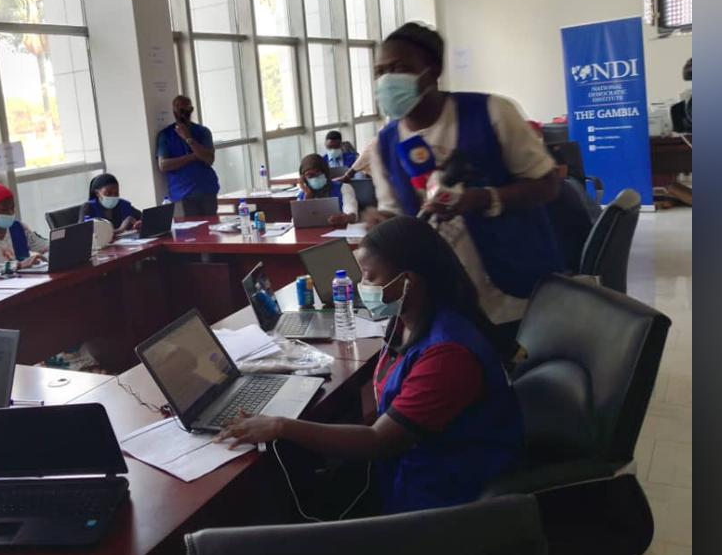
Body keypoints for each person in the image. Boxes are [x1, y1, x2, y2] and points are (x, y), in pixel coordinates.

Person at [215, 216, 523, 513]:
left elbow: (379, 441)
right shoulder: (409, 321)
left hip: (439, 498)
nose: (360, 285)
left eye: (369, 276)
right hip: (408, 466)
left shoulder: (447, 355)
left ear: (408, 282)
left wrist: (280, 425)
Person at [361, 22, 563, 353]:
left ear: (432, 70)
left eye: (399, 68)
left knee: (522, 374)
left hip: (514, 288)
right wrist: (382, 223)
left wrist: (484, 199)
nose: (386, 80)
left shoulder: (492, 113)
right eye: (380, 72)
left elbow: (548, 184)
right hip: (444, 303)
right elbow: (397, 218)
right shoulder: (385, 144)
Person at [155, 95, 219, 217]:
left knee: (210, 226)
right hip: (182, 193)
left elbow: (209, 159)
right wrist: (194, 156)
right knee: (189, 228)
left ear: (192, 110)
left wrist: (188, 138)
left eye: (187, 110)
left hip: (207, 190)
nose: (183, 114)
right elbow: (163, 165)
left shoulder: (203, 132)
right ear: (174, 111)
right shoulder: (166, 135)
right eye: (180, 110)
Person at [296, 153, 359, 226]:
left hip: (340, 230)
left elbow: (352, 213)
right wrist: (308, 198)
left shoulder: (343, 187)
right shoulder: (303, 194)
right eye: (310, 175)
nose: (314, 178)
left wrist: (345, 218)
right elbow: (296, 220)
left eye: (318, 173)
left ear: (325, 172)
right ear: (304, 179)